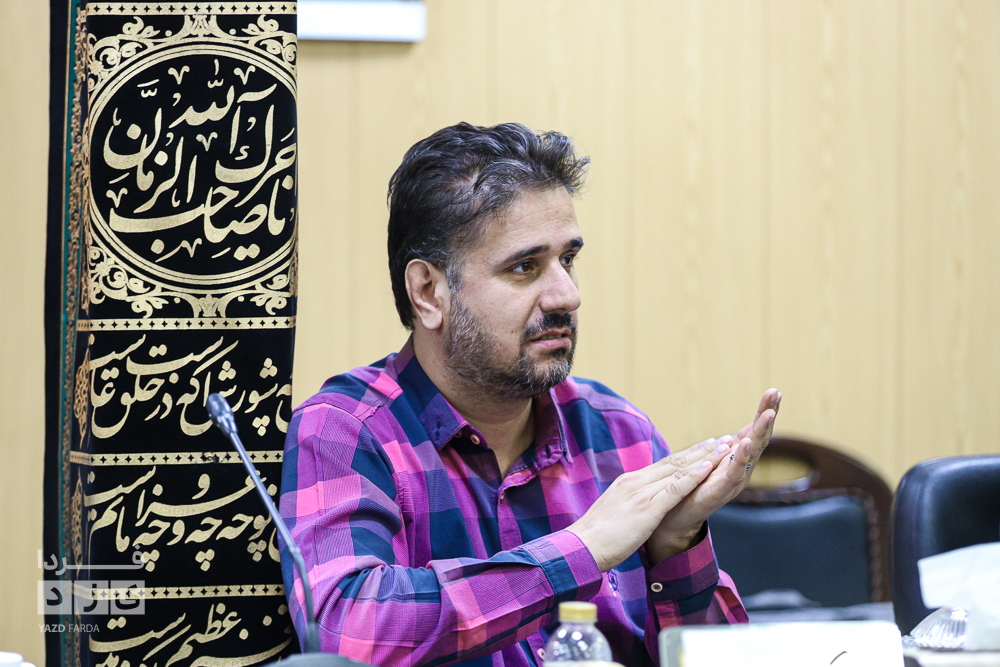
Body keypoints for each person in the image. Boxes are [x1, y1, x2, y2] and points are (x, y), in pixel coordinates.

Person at [279, 122, 781, 667]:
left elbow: (717, 660)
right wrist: (582, 550)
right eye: (525, 267)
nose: (567, 294)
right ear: (428, 292)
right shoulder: (345, 430)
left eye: (568, 260)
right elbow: (347, 632)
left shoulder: (619, 433)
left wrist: (676, 548)